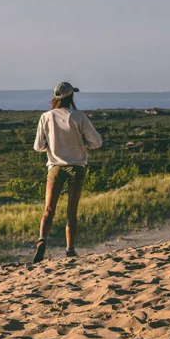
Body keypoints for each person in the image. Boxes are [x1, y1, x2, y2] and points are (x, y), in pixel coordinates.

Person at [32, 81, 103, 262]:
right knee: (71, 210)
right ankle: (70, 250)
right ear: (71, 96)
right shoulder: (78, 116)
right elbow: (97, 141)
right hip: (77, 166)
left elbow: (38, 146)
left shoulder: (45, 117)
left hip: (55, 166)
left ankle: (42, 240)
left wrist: (51, 147)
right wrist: (84, 144)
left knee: (49, 208)